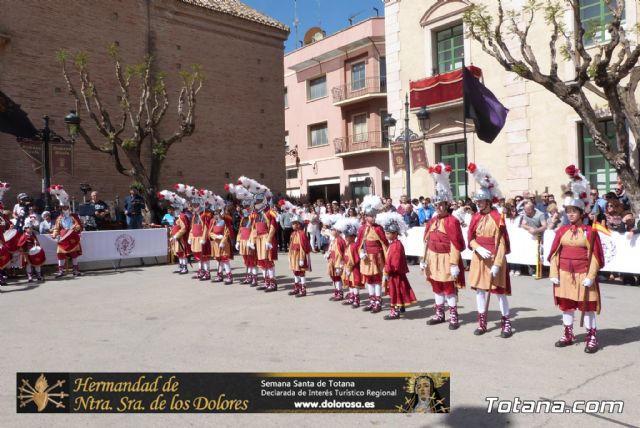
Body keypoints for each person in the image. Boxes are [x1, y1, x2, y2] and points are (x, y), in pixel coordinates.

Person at [548, 166, 604, 353]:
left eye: (574, 211)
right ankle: (568, 334)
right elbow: (555, 253)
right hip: (564, 274)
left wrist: (591, 275)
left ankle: (592, 337)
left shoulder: (589, 231)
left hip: (583, 275)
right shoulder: (562, 231)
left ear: (581, 213)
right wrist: (553, 273)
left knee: (587, 307)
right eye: (568, 211)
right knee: (567, 306)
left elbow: (595, 255)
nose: (570, 214)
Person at [466, 163, 513, 338]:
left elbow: (501, 243)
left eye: (480, 201)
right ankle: (482, 322)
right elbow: (470, 239)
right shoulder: (475, 217)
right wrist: (477, 247)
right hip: (479, 257)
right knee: (480, 290)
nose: (478, 204)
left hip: (494, 259)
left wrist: (498, 263)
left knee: (499, 292)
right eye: (477, 201)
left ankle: (506, 323)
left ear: (488, 201)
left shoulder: (497, 217)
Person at [422, 164, 466, 330]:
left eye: (441, 204)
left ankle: (453, 316)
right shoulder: (432, 221)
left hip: (447, 258)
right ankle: (439, 314)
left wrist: (454, 263)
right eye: (437, 205)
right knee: (436, 286)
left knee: (448, 288)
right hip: (433, 258)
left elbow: (455, 243)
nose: (439, 207)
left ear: (447, 205)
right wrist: (423, 259)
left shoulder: (452, 221)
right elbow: (426, 241)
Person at [238, 177, 278, 291]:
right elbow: (254, 228)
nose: (256, 203)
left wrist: (269, 240)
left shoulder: (269, 212)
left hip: (266, 238)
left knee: (268, 261)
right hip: (258, 239)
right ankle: (266, 282)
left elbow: (273, 227)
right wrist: (251, 240)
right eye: (255, 201)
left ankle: (273, 283)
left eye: (258, 201)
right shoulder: (256, 214)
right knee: (261, 261)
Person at [378, 211, 417, 320]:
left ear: (395, 233)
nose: (386, 235)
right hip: (396, 273)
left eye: (388, 233)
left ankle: (394, 312)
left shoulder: (396, 246)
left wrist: (387, 271)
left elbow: (394, 262)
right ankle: (401, 306)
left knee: (394, 291)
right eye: (386, 233)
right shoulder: (394, 244)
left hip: (394, 274)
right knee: (400, 290)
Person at [356, 195, 388, 313]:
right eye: (371, 216)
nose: (373, 218)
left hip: (376, 256)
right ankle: (372, 301)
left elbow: (384, 244)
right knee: (369, 279)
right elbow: (359, 242)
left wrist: (386, 260)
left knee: (377, 279)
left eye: (374, 216)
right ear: (365, 216)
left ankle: (378, 302)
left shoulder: (378, 228)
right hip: (366, 257)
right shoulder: (362, 228)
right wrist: (360, 252)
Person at [177, 185, 211, 281]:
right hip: (195, 239)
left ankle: (207, 272)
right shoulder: (194, 215)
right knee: (197, 256)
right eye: (194, 204)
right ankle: (201, 270)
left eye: (196, 204)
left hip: (202, 239)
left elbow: (206, 227)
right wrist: (190, 237)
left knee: (204, 257)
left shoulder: (204, 215)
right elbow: (192, 227)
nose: (194, 206)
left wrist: (204, 238)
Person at [227, 183, 258, 286]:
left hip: (250, 242)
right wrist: (238, 241)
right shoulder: (243, 219)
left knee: (252, 260)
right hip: (243, 241)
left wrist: (252, 241)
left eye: (247, 206)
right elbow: (240, 230)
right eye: (244, 206)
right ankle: (248, 276)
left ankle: (254, 277)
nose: (244, 208)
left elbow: (254, 229)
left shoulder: (253, 217)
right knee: (246, 260)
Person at [49, 185, 84, 277]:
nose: (65, 209)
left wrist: (74, 228)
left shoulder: (74, 216)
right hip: (63, 238)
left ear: (69, 207)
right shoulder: (59, 218)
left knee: (74, 254)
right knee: (60, 254)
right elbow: (56, 228)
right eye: (63, 208)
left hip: (72, 237)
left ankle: (76, 270)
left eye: (66, 207)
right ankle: (61, 271)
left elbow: (79, 226)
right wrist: (54, 234)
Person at [158, 190, 190, 275]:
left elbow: (183, 228)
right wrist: (172, 235)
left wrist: (177, 235)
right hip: (176, 237)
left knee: (182, 253)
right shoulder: (175, 217)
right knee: (178, 253)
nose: (171, 211)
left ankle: (185, 267)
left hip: (181, 238)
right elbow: (174, 227)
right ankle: (180, 267)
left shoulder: (181, 217)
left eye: (173, 209)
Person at [335, 217, 362, 307]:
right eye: (345, 236)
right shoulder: (348, 245)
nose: (346, 237)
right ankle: (351, 297)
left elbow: (354, 259)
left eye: (348, 236)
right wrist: (342, 264)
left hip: (354, 270)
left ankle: (356, 299)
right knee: (350, 283)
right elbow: (344, 256)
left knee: (355, 284)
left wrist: (349, 268)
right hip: (348, 268)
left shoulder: (354, 246)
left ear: (353, 236)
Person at [208, 196, 235, 284]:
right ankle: (219, 275)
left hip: (224, 243)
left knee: (225, 260)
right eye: (214, 213)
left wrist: (223, 241)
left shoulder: (225, 220)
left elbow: (227, 232)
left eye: (217, 212)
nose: (216, 214)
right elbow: (209, 232)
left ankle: (229, 276)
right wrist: (215, 236)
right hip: (216, 243)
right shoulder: (212, 221)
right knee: (218, 259)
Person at [287, 211, 312, 297]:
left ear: (299, 224)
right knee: (295, 271)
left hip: (300, 256)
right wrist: (290, 255)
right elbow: (290, 245)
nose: (292, 225)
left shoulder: (302, 234)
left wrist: (302, 258)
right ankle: (296, 287)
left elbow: (303, 247)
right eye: (292, 224)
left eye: (294, 223)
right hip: (294, 255)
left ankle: (303, 289)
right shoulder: (293, 234)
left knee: (301, 272)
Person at [323, 214, 346, 301]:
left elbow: (342, 253)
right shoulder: (333, 240)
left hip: (337, 262)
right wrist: (327, 254)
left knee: (337, 278)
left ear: (337, 231)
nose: (331, 231)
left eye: (333, 230)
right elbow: (330, 249)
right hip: (332, 261)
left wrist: (340, 264)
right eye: (331, 230)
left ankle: (339, 293)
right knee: (333, 277)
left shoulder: (340, 240)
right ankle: (336, 291)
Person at [521, 201, 547, 276]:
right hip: (531, 238)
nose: (525, 211)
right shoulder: (525, 214)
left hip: (540, 237)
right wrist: (529, 227)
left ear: (531, 209)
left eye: (527, 210)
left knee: (540, 254)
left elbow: (544, 226)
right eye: (525, 210)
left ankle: (542, 271)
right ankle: (533, 270)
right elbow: (523, 224)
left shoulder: (540, 215)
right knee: (531, 253)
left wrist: (536, 230)